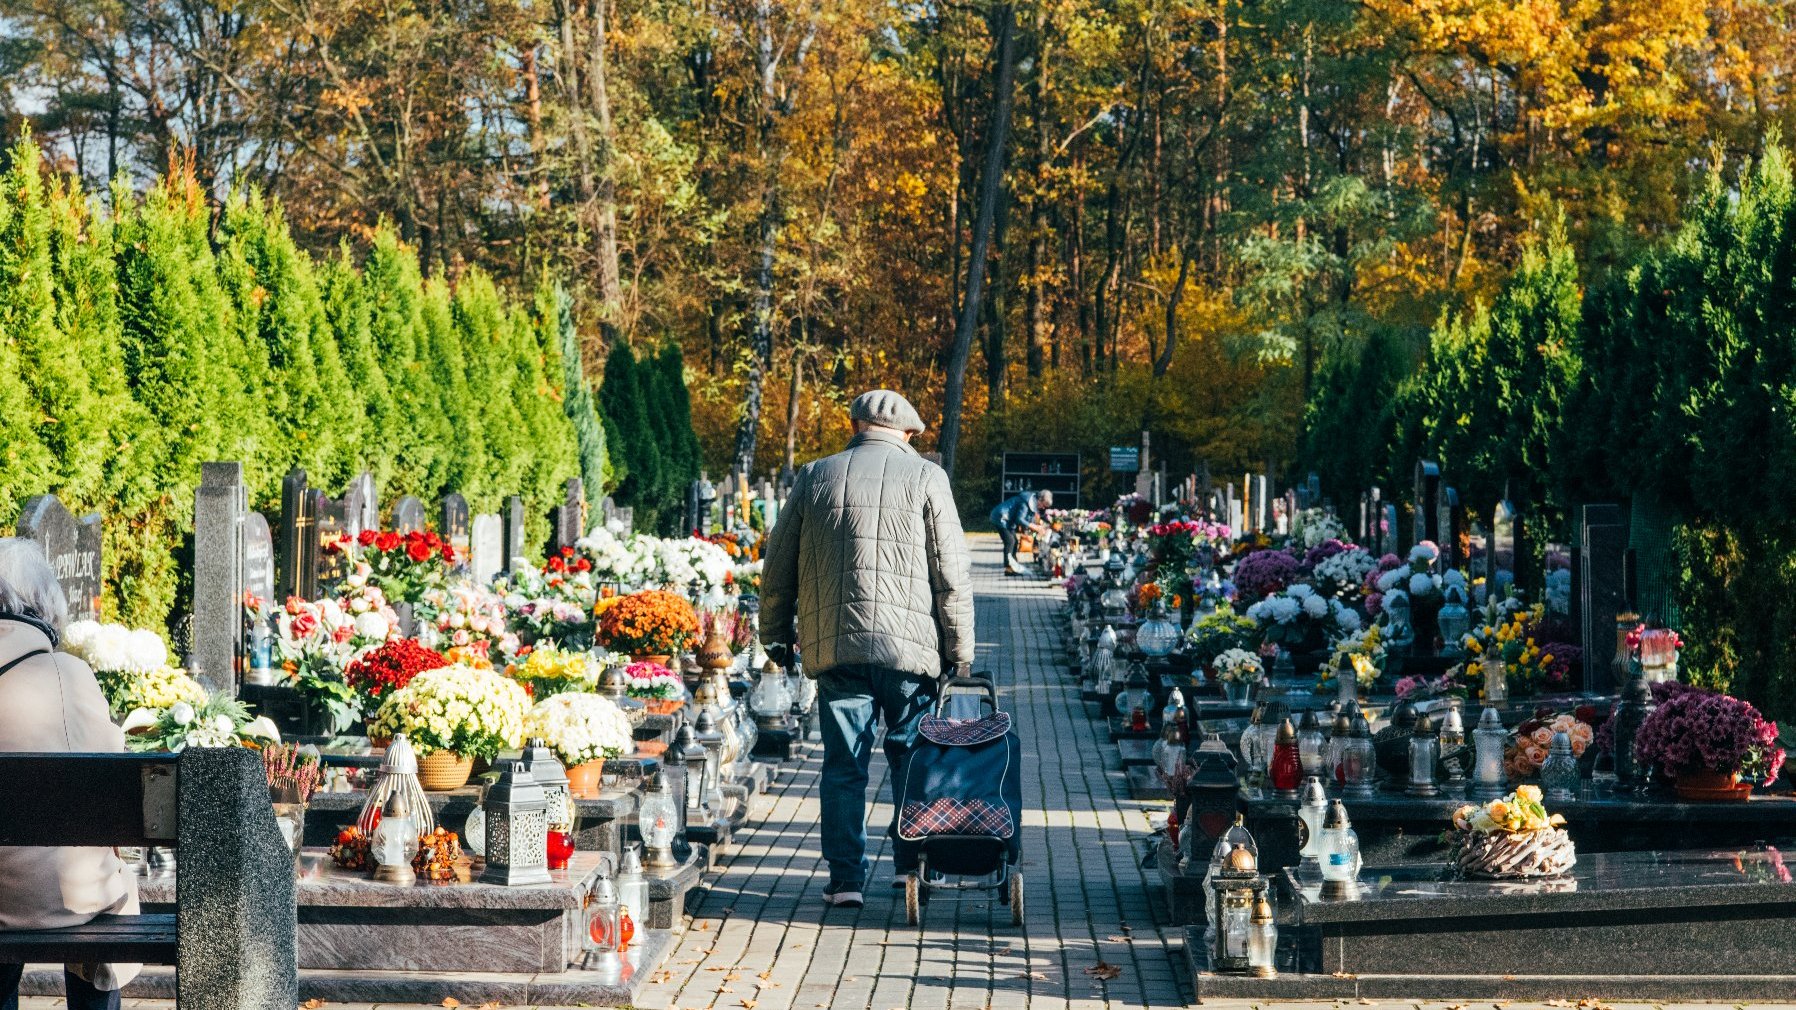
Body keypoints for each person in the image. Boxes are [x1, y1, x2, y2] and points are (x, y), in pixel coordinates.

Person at [760, 389, 975, 910]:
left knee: (843, 767)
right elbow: (951, 572)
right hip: (910, 651)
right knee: (910, 759)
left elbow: (778, 564)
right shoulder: (927, 477)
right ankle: (909, 868)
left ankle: (845, 880)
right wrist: (959, 649)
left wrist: (775, 634)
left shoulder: (816, 476)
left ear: (855, 425)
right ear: (907, 433)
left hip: (837, 646)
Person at [0, 538, 141, 1010]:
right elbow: (114, 774)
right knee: (93, 881)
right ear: (44, 604)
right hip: (75, 899)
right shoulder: (70, 674)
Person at [989, 488, 1052, 575]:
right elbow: (1019, 519)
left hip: (1008, 521)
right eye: (1043, 505)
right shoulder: (1026, 503)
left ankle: (1014, 565)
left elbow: (1029, 519)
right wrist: (1034, 527)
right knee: (1010, 541)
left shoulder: (1032, 503)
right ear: (1040, 500)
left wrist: (1038, 527)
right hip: (1001, 517)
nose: (1043, 508)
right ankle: (1008, 568)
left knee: (1014, 541)